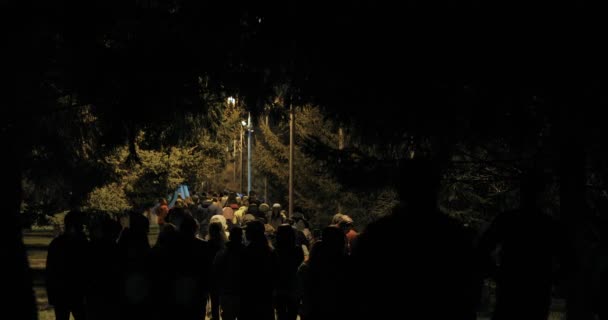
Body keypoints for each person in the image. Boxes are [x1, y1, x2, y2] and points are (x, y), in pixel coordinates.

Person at [46, 210, 90, 320]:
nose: (83, 228)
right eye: (81, 225)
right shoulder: (82, 244)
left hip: (64, 292)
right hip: (75, 292)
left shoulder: (57, 244)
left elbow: (50, 271)